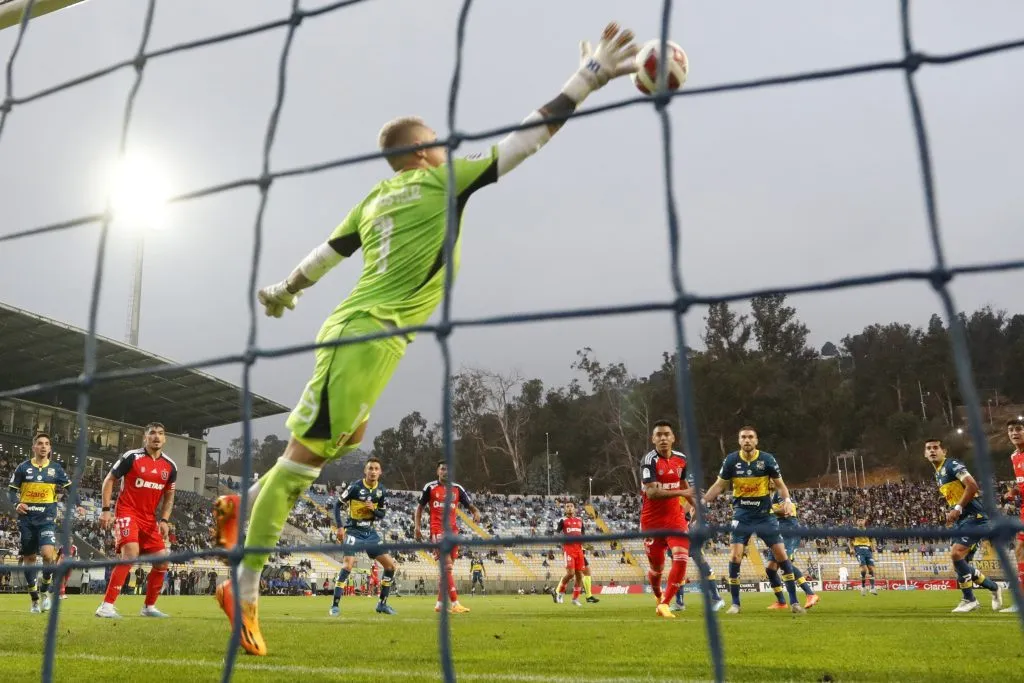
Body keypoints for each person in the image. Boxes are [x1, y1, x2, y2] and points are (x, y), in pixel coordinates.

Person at [210, 21, 638, 657]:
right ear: (419, 152)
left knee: (345, 439)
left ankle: (235, 506)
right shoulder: (441, 183)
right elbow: (524, 143)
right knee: (303, 466)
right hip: (366, 338)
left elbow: (325, 255)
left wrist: (282, 290)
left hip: (365, 336)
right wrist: (589, 78)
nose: (445, 147)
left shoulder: (375, 196)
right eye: (436, 141)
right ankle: (243, 586)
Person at [701, 426, 805, 614]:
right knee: (734, 556)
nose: (747, 440)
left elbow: (781, 486)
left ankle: (795, 602)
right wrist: (702, 501)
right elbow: (719, 485)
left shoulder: (767, 459)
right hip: (741, 514)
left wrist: (787, 500)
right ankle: (735, 604)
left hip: (765, 515)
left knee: (781, 556)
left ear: (756, 440)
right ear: (739, 441)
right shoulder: (731, 460)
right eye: (743, 437)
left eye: (750, 437)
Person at [95, 422, 177, 619]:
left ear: (165, 439)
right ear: (145, 437)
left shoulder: (170, 466)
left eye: (160, 433)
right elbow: (109, 480)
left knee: (162, 562)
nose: (156, 437)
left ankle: (148, 607)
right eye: (152, 433)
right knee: (130, 553)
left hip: (149, 519)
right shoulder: (131, 457)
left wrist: (164, 520)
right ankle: (106, 606)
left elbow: (169, 495)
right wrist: (106, 510)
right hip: (127, 512)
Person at [924, 438, 1002, 613]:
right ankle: (993, 588)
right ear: (924, 453)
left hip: (976, 517)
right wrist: (952, 512)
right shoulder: (938, 474)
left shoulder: (952, 465)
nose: (932, 451)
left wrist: (958, 508)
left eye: (936, 447)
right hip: (962, 520)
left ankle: (970, 599)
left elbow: (972, 486)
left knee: (955, 553)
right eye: (928, 448)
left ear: (944, 450)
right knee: (960, 564)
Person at [7, 432, 70, 613]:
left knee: (48, 556)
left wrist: (78, 503)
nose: (43, 446)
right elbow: (11, 491)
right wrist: (17, 503)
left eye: (47, 444)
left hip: (47, 518)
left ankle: (44, 591)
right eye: (40, 443)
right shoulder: (23, 468)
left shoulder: (56, 469)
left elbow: (70, 487)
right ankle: (34, 598)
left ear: (50, 448)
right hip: (27, 519)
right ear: (34, 447)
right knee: (30, 558)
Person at [639, 420, 695, 619]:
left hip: (675, 519)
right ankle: (657, 594)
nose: (663, 438)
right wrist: (683, 491)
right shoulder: (649, 461)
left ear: (673, 438)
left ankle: (665, 604)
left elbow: (683, 483)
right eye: (659, 435)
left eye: (666, 434)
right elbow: (652, 493)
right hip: (651, 523)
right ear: (653, 439)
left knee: (681, 558)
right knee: (657, 568)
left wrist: (696, 506)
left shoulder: (681, 459)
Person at [328, 457, 397, 616]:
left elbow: (382, 514)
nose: (373, 471)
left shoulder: (382, 491)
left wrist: (373, 509)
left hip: (370, 533)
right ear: (365, 471)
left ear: (380, 472)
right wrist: (340, 527)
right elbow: (337, 505)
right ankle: (335, 605)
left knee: (390, 567)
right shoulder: (355, 487)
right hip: (353, 531)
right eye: (370, 468)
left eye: (376, 469)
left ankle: (382, 604)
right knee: (347, 566)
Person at [415, 461, 481, 613]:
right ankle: (455, 603)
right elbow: (420, 508)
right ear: (437, 471)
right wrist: (417, 527)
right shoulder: (430, 487)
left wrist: (476, 512)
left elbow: (471, 506)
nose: (446, 472)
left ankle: (439, 605)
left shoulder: (457, 489)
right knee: (447, 566)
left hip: (453, 533)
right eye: (443, 469)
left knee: (448, 571)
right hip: (437, 532)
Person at [673, 471, 725, 613]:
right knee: (678, 566)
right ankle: (679, 602)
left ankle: (716, 598)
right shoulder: (684, 495)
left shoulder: (696, 497)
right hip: (680, 534)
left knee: (699, 564)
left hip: (690, 535)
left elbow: (693, 513)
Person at [763, 485, 818, 610]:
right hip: (778, 531)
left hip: (789, 530)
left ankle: (810, 594)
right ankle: (781, 602)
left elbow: (785, 511)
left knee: (785, 563)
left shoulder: (780, 493)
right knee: (770, 570)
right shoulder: (768, 495)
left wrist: (767, 509)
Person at [1003, 417, 1024, 613]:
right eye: (1011, 430)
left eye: (1018, 429)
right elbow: (1020, 482)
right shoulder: (1014, 457)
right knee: (1020, 551)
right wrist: (1014, 492)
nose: (1014, 432)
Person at [552, 502, 586, 606]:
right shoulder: (563, 520)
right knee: (571, 573)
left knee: (579, 575)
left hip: (579, 550)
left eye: (571, 506)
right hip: (569, 549)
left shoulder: (580, 520)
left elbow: (583, 534)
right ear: (565, 509)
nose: (569, 508)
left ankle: (575, 599)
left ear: (575, 509)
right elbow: (556, 534)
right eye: (567, 506)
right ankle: (560, 593)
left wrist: (584, 545)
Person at [849, 519, 878, 596]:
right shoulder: (854, 531)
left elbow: (873, 539)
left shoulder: (869, 531)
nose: (860, 522)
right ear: (857, 522)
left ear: (864, 522)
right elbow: (850, 541)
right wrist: (851, 549)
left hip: (868, 550)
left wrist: (874, 546)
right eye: (859, 520)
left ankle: (872, 588)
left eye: (862, 520)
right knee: (864, 569)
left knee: (871, 568)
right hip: (859, 550)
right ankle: (863, 586)